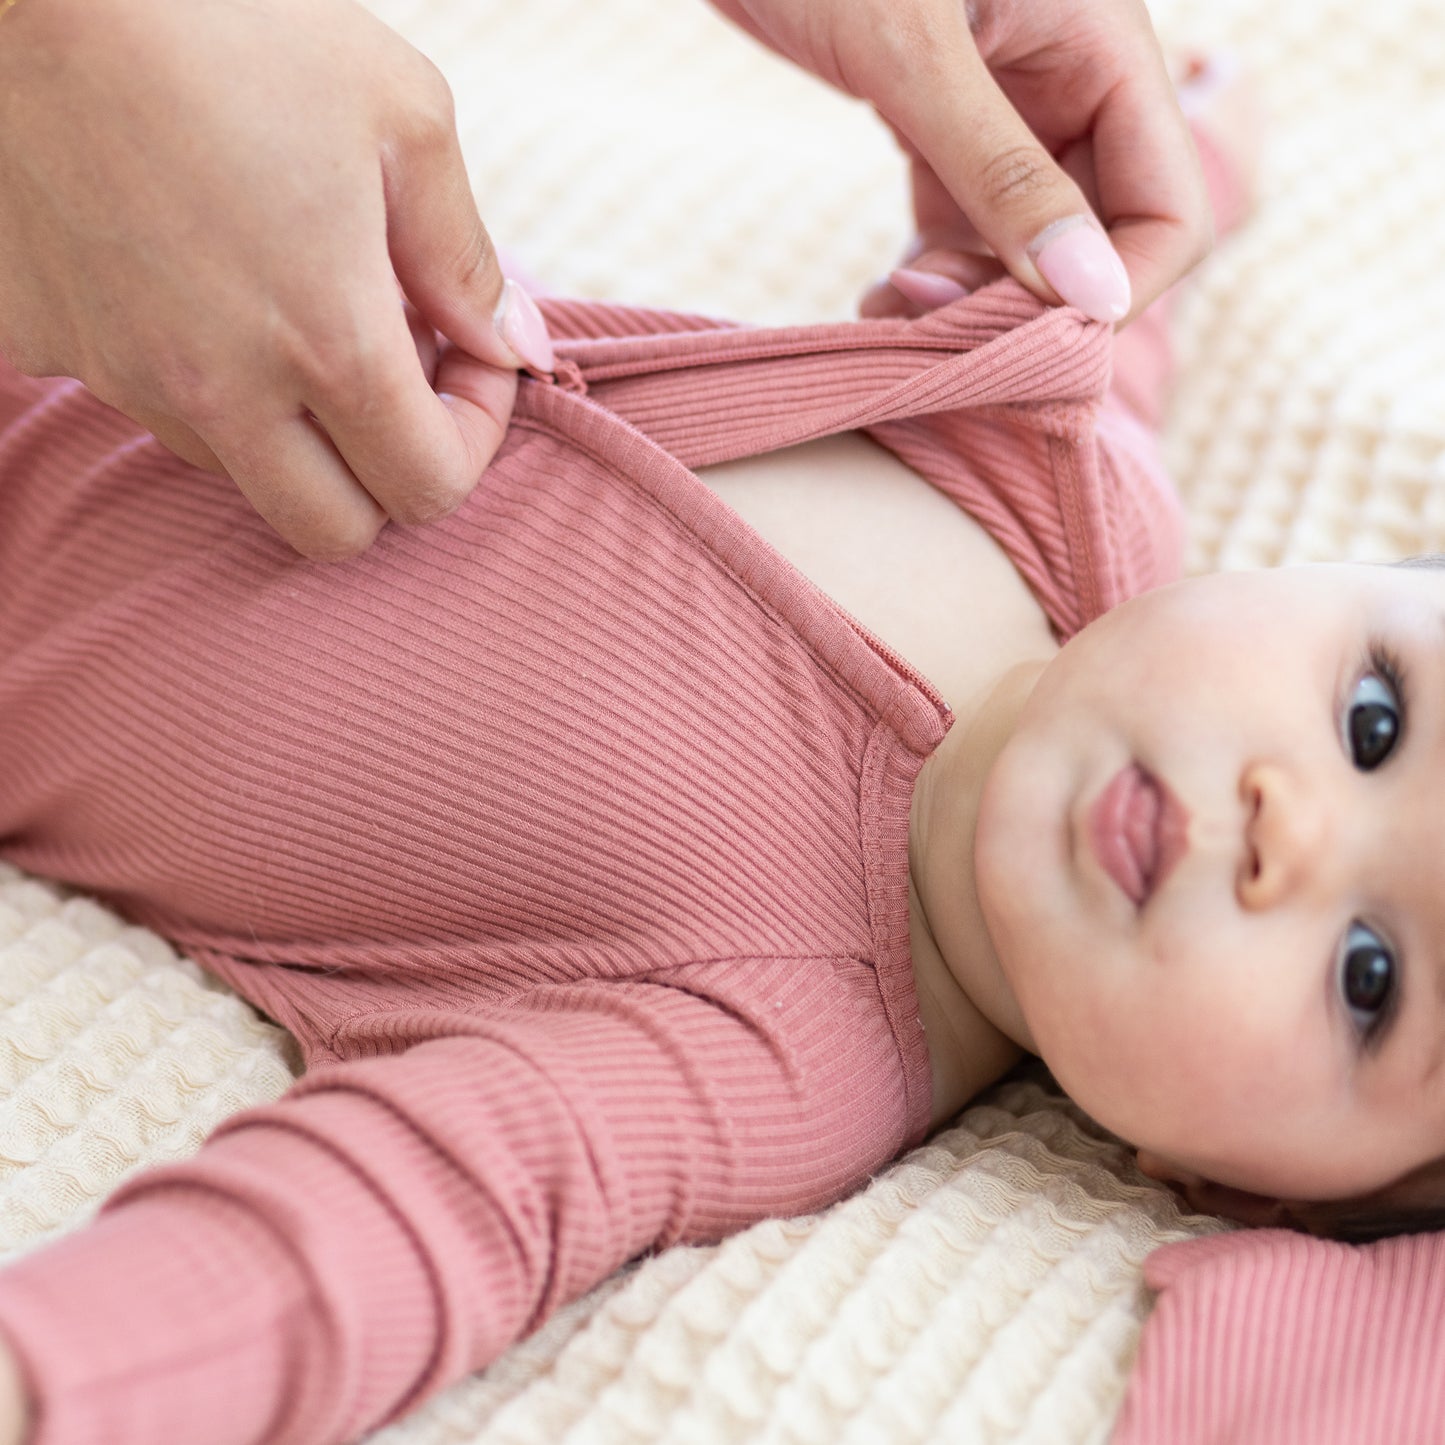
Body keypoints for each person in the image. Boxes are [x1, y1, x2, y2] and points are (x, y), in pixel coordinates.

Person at [0, 66, 1421, 1445]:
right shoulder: (1065, 478)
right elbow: (1096, 283)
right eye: (1377, 720)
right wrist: (1173, 158)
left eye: (1372, 978)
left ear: (1258, 1190)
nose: (1284, 830)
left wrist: (44, 1377)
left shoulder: (772, 1053)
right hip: (122, 177)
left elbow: (388, 1235)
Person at [0, 0, 1211, 562]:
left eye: (1310, 966)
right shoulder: (1089, 518)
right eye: (1333, 705)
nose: (1280, 829)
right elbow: (1088, 345)